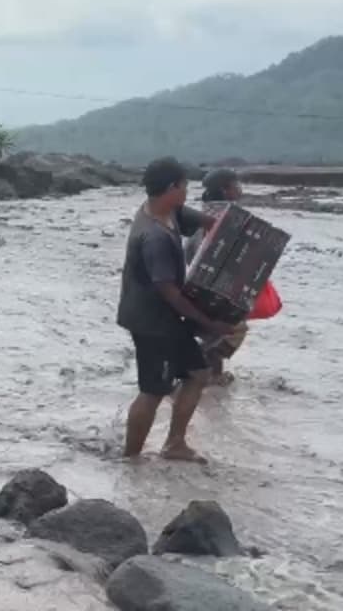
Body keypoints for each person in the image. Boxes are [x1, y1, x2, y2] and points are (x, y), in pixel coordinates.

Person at [118, 157, 228, 464]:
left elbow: (209, 223)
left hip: (157, 315)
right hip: (152, 321)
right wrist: (209, 322)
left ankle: (175, 443)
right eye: (185, 186)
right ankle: (130, 460)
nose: (188, 191)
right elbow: (170, 293)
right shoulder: (154, 236)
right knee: (153, 389)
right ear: (172, 187)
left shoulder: (168, 211)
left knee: (198, 372)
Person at [188, 168, 248, 387]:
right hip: (221, 287)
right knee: (230, 331)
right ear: (226, 189)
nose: (240, 188)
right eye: (236, 184)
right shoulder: (230, 218)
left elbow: (190, 251)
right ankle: (201, 369)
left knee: (215, 331)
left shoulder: (204, 214)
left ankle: (213, 375)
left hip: (200, 284)